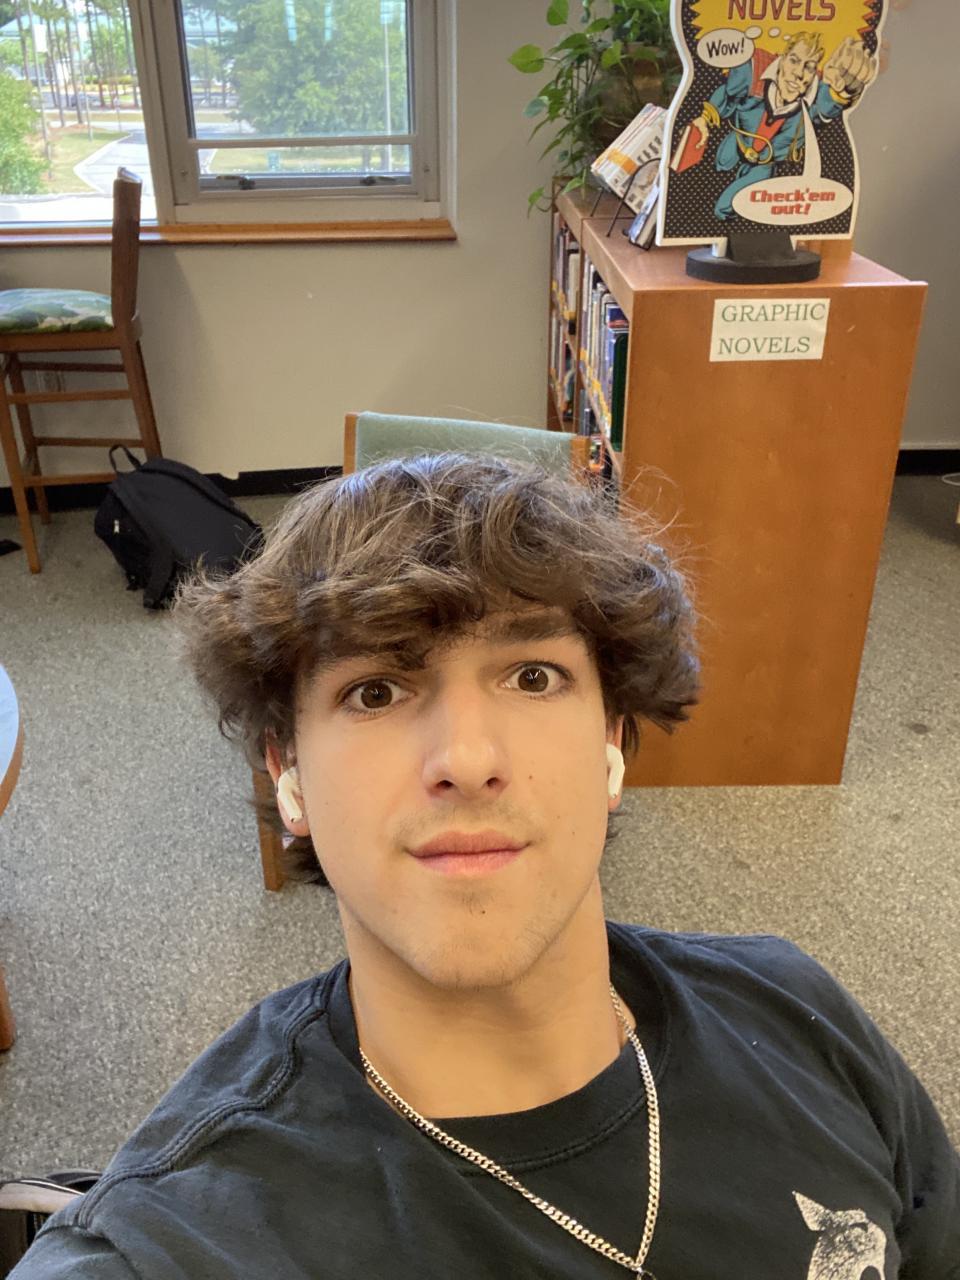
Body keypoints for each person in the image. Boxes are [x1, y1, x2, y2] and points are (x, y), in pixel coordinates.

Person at [10, 452, 959, 1278]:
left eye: (533, 676)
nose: (465, 760)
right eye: (375, 691)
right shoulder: (172, 1239)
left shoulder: (800, 1014)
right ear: (288, 774)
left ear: (612, 742)